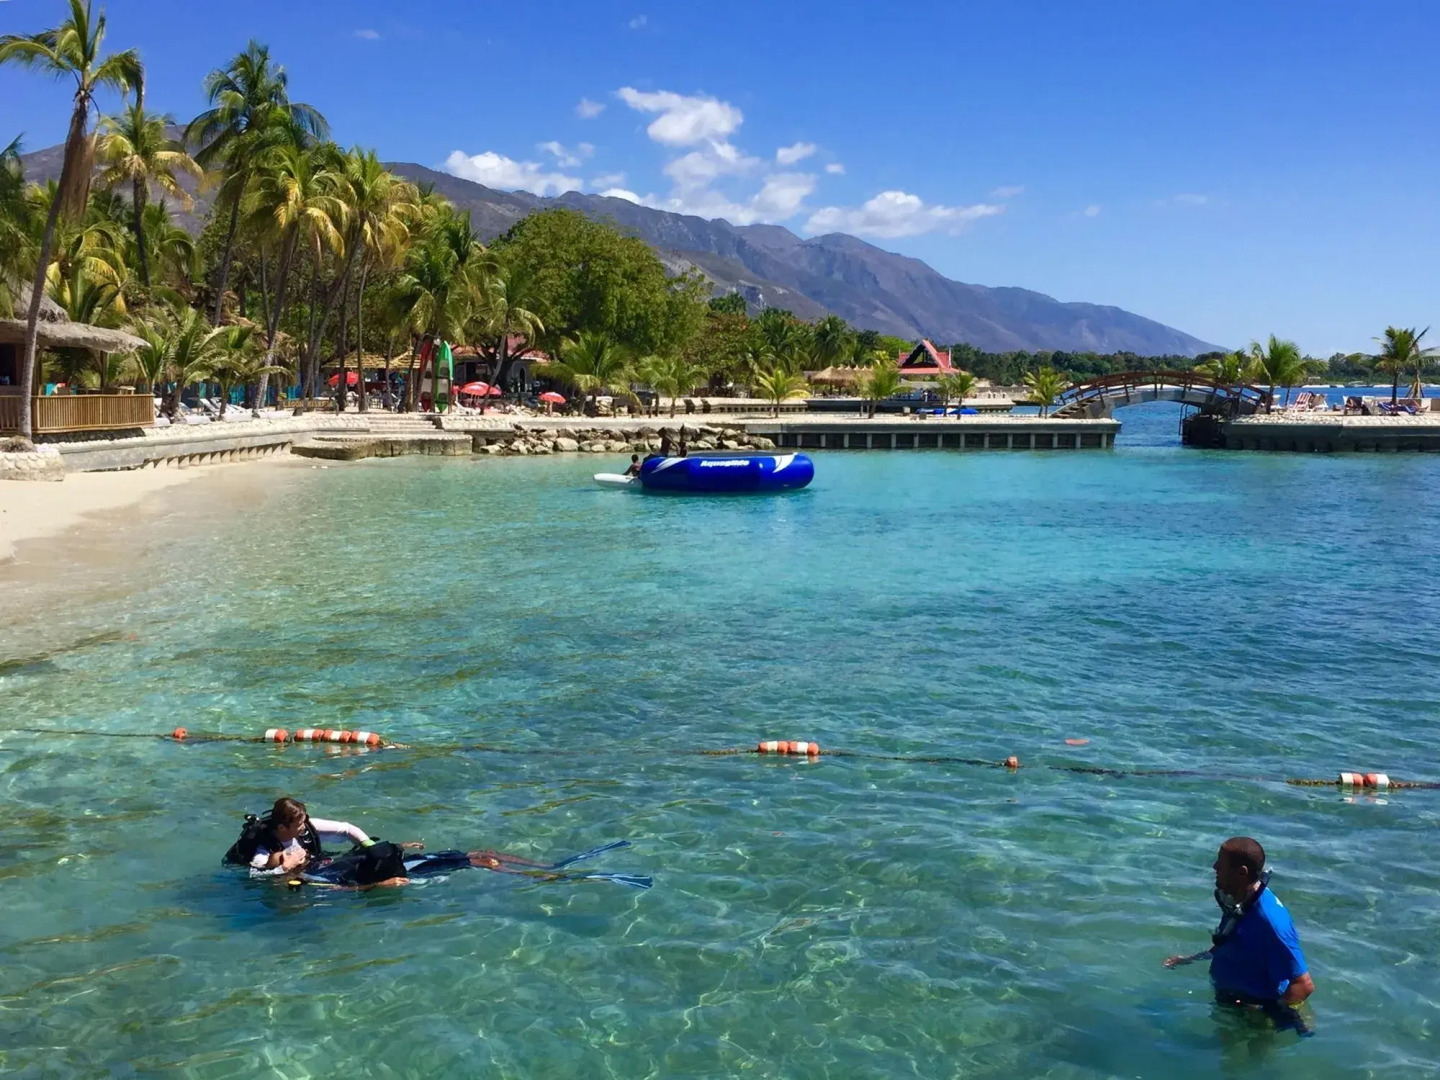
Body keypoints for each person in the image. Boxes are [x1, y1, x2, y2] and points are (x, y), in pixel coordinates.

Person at [223, 797, 651, 890]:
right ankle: (552, 879)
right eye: (295, 829)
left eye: (303, 827)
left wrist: (373, 846)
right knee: (469, 863)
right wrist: (287, 865)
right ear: (280, 827)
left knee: (473, 853)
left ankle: (550, 867)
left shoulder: (307, 827)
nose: (302, 832)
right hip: (343, 875)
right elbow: (266, 877)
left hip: (356, 863)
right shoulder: (266, 847)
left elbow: (351, 828)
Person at [1165, 837, 1313, 1025]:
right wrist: (1190, 959)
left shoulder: (1270, 922)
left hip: (1252, 1007)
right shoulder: (1240, 901)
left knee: (1251, 1054)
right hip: (1231, 998)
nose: (1214, 867)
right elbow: (1230, 941)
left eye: (1221, 863)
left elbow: (1303, 985)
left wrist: (1265, 1020)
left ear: (1241, 872)